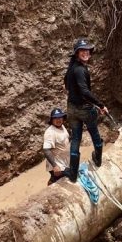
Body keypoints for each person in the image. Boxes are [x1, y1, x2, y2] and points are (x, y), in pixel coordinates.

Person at [64, 37, 109, 183]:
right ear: (77, 53)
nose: (86, 53)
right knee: (94, 133)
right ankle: (98, 159)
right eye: (82, 51)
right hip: (84, 109)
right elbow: (84, 91)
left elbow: (67, 85)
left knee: (76, 138)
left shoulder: (71, 68)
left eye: (87, 50)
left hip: (71, 108)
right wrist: (100, 105)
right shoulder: (80, 70)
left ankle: (73, 173)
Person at [43, 107, 70, 185]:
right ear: (52, 120)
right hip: (57, 165)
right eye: (55, 118)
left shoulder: (62, 126)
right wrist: (55, 166)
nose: (58, 120)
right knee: (69, 177)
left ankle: (52, 181)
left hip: (64, 162)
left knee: (60, 180)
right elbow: (46, 150)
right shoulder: (50, 132)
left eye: (60, 117)